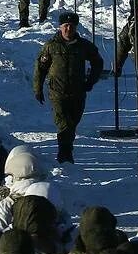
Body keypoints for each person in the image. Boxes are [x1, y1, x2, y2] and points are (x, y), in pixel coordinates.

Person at [33, 11, 104, 163]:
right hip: (57, 92)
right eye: (65, 26)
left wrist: (90, 81)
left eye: (71, 26)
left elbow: (98, 62)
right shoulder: (51, 46)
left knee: (72, 122)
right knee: (63, 123)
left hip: (78, 92)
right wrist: (37, 88)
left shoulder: (83, 46)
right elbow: (40, 68)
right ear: (60, 27)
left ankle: (67, 147)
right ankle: (64, 153)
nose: (68, 29)